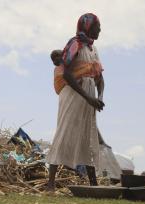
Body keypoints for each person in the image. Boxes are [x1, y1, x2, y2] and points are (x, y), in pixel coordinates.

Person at [46, 13, 105, 191]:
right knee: (64, 132)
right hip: (73, 95)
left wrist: (99, 97)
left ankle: (93, 184)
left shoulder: (94, 50)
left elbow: (100, 78)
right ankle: (50, 185)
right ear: (87, 27)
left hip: (89, 96)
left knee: (88, 135)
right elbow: (66, 73)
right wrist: (88, 97)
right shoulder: (75, 44)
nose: (100, 29)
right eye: (97, 26)